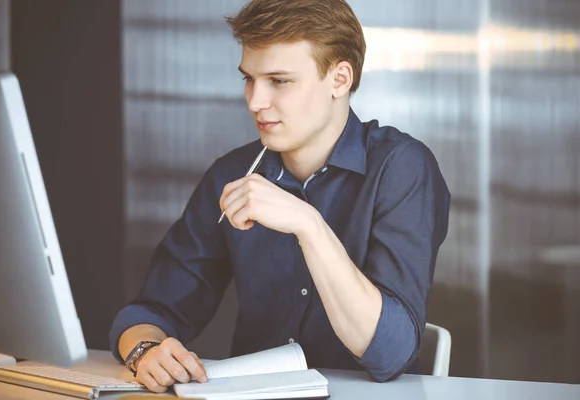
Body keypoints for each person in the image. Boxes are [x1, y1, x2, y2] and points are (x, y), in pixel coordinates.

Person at [109, 0, 450, 392]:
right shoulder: (232, 174)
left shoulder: (402, 167)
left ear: (339, 80)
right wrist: (145, 350)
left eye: (279, 81)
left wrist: (308, 224)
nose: (255, 102)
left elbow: (390, 353)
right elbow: (153, 309)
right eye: (249, 79)